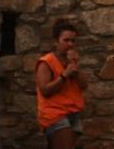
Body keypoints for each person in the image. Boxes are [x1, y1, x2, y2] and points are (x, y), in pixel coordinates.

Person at [34, 20, 85, 149]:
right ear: (56, 41)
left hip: (73, 112)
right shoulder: (46, 62)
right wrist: (64, 75)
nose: (70, 44)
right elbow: (45, 90)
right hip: (54, 114)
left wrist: (74, 67)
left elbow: (84, 86)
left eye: (73, 41)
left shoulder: (71, 62)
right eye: (66, 40)